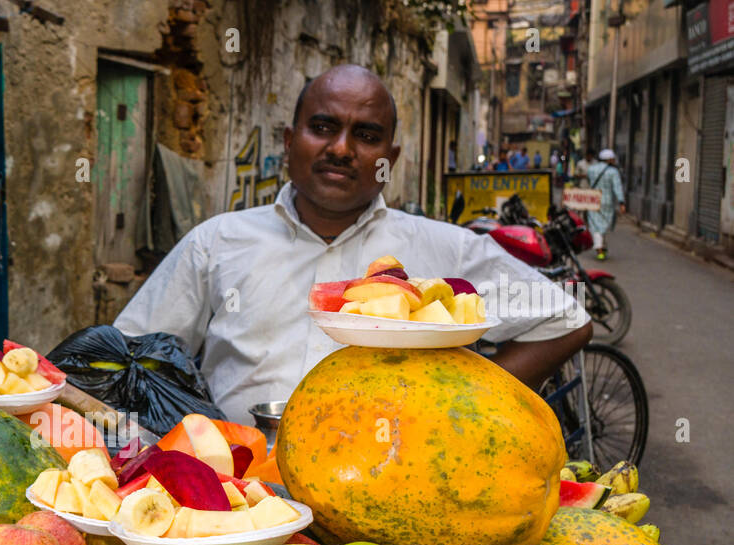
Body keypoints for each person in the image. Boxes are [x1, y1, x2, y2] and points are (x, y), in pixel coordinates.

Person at [112, 64, 592, 423]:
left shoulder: (446, 249)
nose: (341, 149)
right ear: (289, 140)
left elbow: (566, 319)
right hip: (239, 498)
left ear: (391, 156)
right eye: (322, 127)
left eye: (365, 135)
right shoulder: (217, 243)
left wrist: (456, 412)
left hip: (388, 496)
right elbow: (130, 354)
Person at [584, 148, 626, 261]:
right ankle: (600, 248)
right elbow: (617, 188)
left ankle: (601, 246)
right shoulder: (613, 172)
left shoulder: (591, 169)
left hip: (593, 200)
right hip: (607, 202)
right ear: (609, 160)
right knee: (603, 224)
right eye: (612, 159)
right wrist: (621, 202)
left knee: (595, 225)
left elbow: (589, 181)